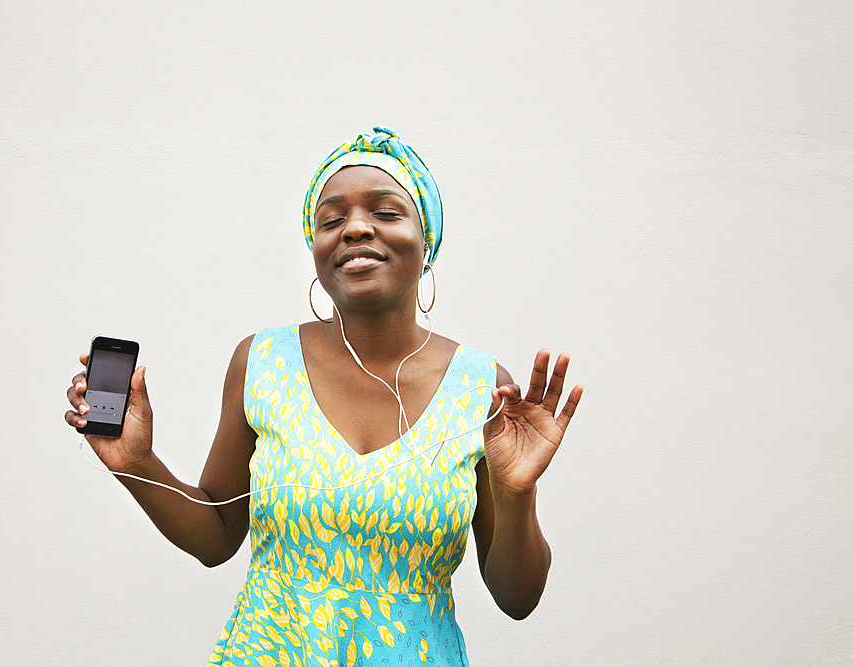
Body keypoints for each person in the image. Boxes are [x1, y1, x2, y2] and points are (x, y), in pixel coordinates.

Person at [65, 127, 583, 666]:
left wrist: (516, 491)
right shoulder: (262, 362)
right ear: (315, 251)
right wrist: (136, 464)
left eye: (385, 213)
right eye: (331, 219)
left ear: (427, 239)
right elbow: (216, 534)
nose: (355, 228)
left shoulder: (481, 387)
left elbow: (517, 598)